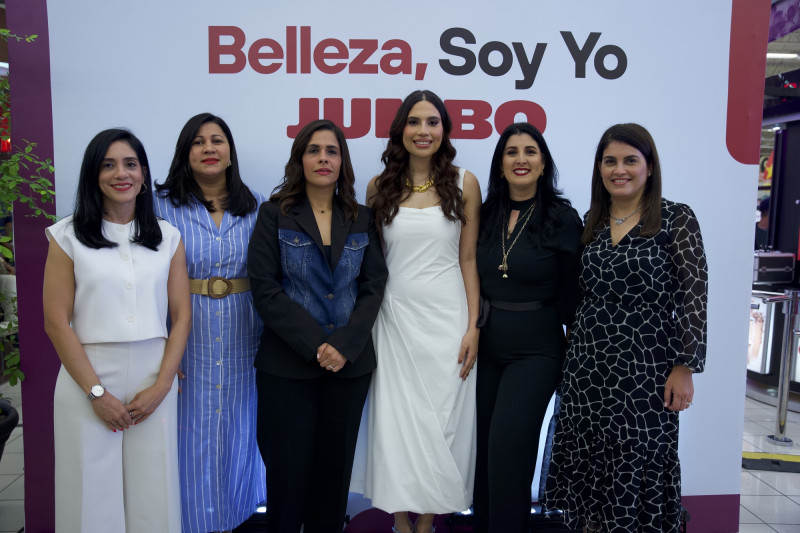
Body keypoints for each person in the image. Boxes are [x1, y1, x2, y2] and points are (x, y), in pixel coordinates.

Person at [544, 123, 708, 532]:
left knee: (638, 466)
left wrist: (685, 366)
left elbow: (695, 295)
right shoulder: (592, 222)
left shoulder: (676, 218)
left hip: (647, 370)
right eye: (610, 161)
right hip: (587, 367)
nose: (620, 169)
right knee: (589, 473)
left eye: (630, 160)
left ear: (649, 167)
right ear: (599, 168)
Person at [43, 129, 191, 532]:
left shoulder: (167, 237)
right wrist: (96, 392)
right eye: (108, 165)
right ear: (94, 175)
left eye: (130, 164)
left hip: (153, 378)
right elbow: (56, 323)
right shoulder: (67, 236)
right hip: (87, 376)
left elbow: (181, 316)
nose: (120, 173)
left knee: (155, 493)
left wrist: (163, 385)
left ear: (143, 173)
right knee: (89, 496)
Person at [248, 119, 387, 533]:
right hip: (286, 368)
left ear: (342, 162)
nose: (323, 158)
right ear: (300, 160)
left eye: (332, 151)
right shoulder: (274, 214)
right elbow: (265, 288)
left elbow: (374, 286)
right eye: (314, 150)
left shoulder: (362, 217)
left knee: (333, 478)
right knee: (287, 480)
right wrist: (316, 345)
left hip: (349, 367)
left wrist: (343, 344)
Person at [363, 89, 481, 533]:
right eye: (415, 122)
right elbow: (374, 262)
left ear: (444, 130)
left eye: (433, 122)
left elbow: (467, 260)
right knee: (395, 425)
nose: (423, 131)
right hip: (393, 320)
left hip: (448, 320)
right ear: (401, 130)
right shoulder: (379, 187)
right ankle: (399, 523)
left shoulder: (465, 182)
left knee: (445, 424)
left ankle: (427, 523)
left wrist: (472, 326)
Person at [154, 113, 267, 533]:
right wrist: (161, 347)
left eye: (217, 140)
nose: (209, 148)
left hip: (244, 331)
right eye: (198, 142)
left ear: (230, 153)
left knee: (240, 429)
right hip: (187, 333)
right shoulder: (159, 205)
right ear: (185, 153)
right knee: (189, 432)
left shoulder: (256, 206)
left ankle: (235, 519)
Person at [472, 123, 582, 533]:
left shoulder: (561, 217)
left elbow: (574, 293)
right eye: (511, 152)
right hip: (486, 346)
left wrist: (577, 356)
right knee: (482, 454)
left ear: (543, 164)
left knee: (508, 452)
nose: (521, 159)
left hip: (537, 350)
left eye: (530, 151)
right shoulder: (483, 215)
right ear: (500, 165)